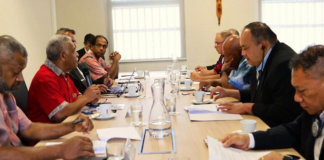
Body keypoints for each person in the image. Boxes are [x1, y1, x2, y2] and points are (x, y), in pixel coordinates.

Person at [219, 45, 324, 160]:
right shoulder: (314, 111)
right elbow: (292, 131)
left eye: (302, 91)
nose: (296, 98)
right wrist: (248, 139)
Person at [0, 35, 95, 159]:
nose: (21, 79)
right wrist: (60, 150)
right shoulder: (44, 77)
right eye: (15, 72)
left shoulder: (6, 96)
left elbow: (29, 128)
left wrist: (72, 125)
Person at [210, 22, 303, 127]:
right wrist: (229, 92)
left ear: (263, 45)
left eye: (246, 48)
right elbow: (260, 94)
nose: (243, 54)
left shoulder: (283, 64)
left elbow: (283, 111)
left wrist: (247, 107)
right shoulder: (260, 57)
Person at [27, 35, 101, 124]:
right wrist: (86, 98)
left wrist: (90, 97)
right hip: (48, 136)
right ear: (63, 56)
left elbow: (77, 97)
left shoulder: (63, 74)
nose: (77, 54)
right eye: (74, 51)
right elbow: (59, 114)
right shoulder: (45, 78)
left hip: (64, 127)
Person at [56, 28, 112, 94]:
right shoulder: (87, 59)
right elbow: (68, 102)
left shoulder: (73, 68)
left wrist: (98, 86)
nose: (77, 55)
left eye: (74, 42)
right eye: (71, 41)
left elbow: (82, 88)